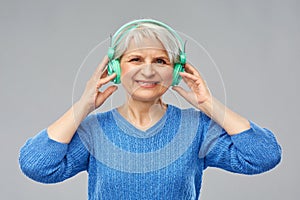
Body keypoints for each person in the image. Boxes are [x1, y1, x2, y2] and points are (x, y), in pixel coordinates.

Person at [19, 19, 282, 200]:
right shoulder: (96, 130)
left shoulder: (196, 128)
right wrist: (84, 105)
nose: (148, 70)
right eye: (135, 59)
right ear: (115, 69)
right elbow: (37, 166)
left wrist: (209, 104)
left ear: (176, 71)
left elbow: (263, 156)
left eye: (160, 60)